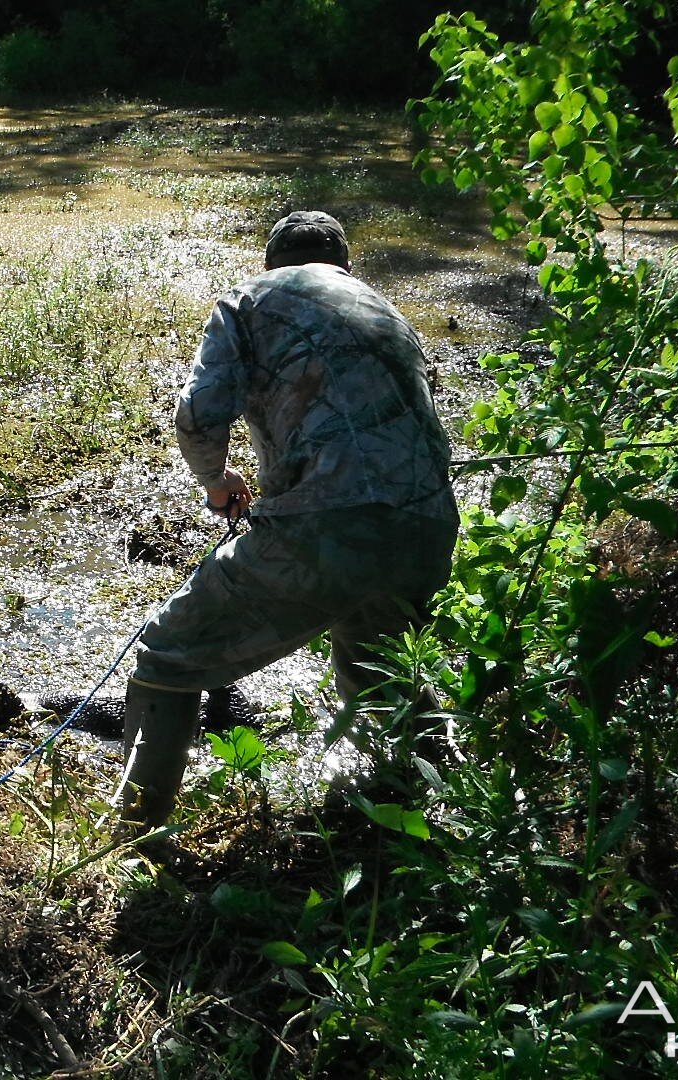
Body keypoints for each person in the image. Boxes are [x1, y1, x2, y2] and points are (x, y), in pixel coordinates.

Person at [116, 211, 459, 828]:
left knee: (166, 654)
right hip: (427, 526)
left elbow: (198, 416)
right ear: (345, 266)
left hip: (326, 523)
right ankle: (451, 816)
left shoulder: (250, 298)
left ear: (273, 262)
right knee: (381, 663)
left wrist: (219, 485)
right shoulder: (388, 312)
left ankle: (135, 839)